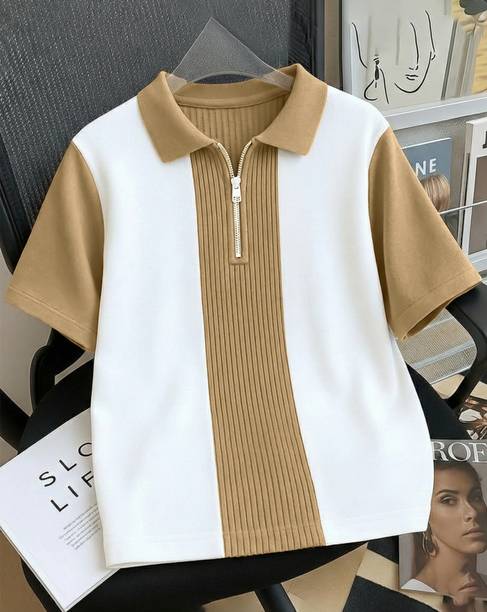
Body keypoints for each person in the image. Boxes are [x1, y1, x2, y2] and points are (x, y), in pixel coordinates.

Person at [402, 461, 487, 607]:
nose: (472, 512)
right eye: (448, 500)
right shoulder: (409, 598)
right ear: (423, 516)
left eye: (476, 497)